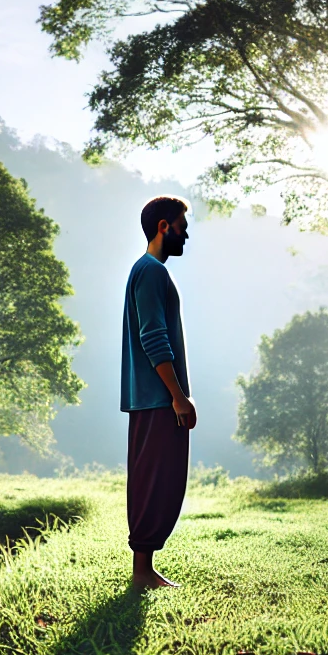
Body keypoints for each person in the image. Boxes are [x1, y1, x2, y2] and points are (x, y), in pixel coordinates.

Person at [122, 195, 195, 589]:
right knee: (156, 480)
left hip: (154, 399)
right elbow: (154, 337)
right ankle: (142, 572)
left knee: (156, 479)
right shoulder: (150, 271)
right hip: (157, 399)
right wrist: (178, 396)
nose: (187, 234)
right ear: (164, 226)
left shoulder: (148, 271)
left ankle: (144, 569)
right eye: (184, 225)